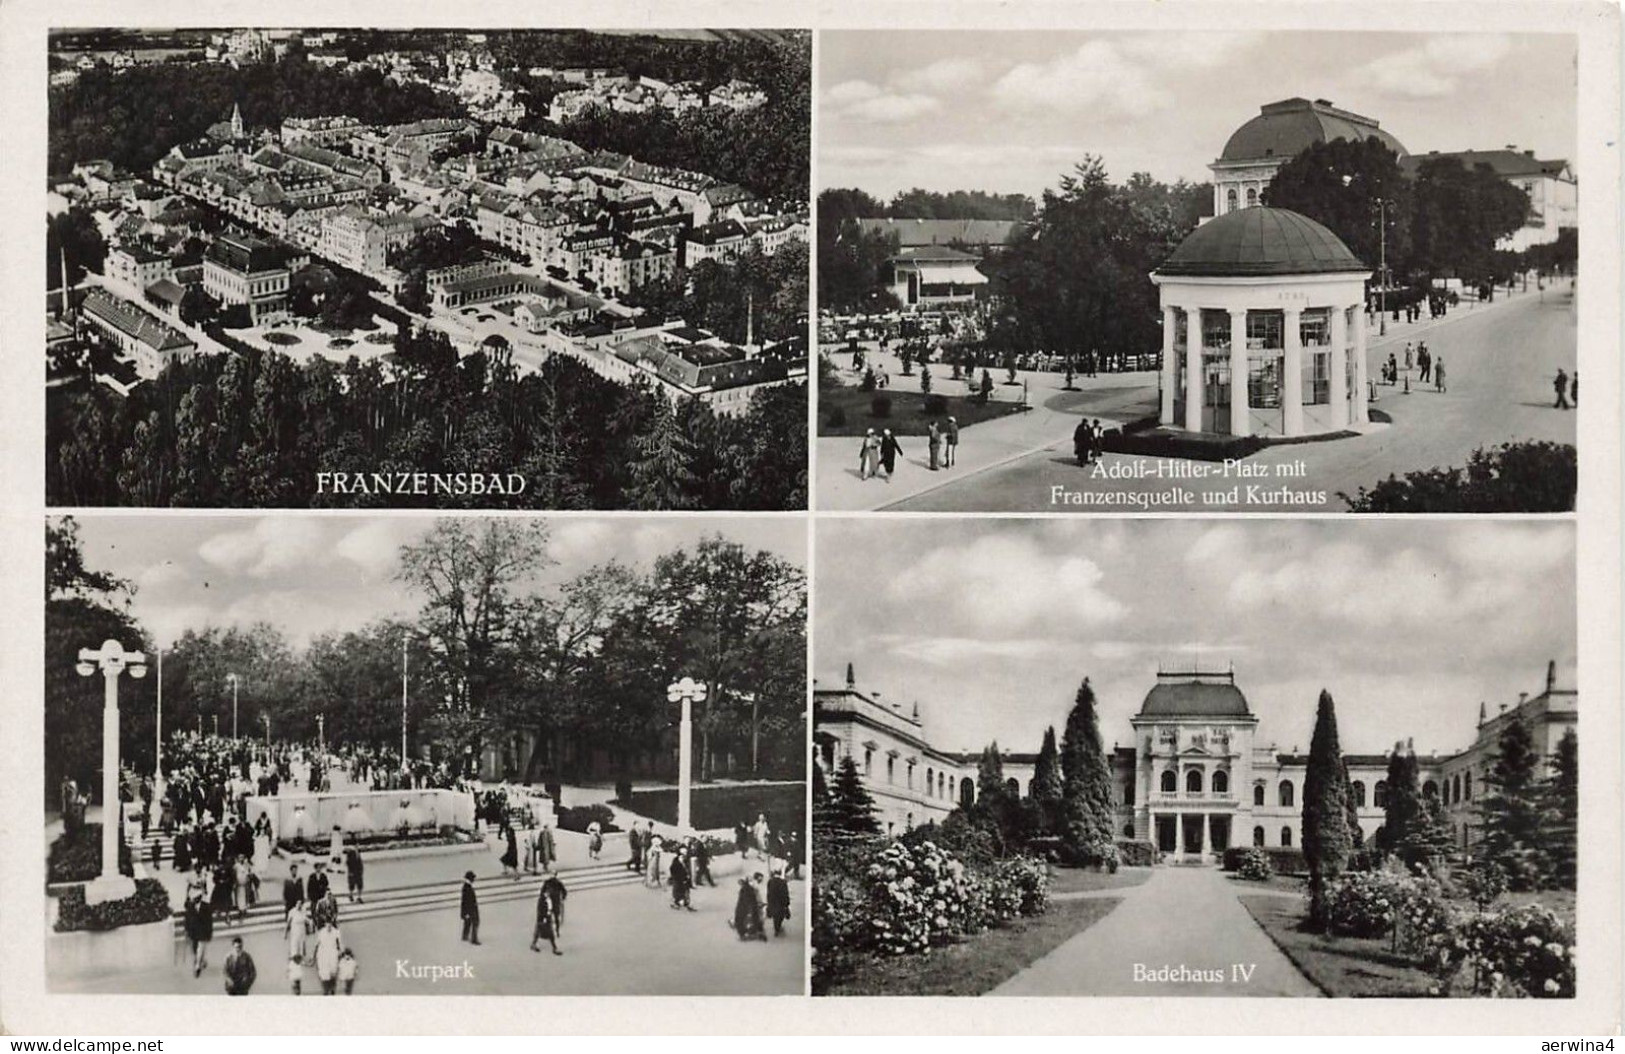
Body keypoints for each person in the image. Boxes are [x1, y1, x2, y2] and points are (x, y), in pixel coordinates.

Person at [183, 882, 214, 978]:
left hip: (203, 931)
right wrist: (187, 930)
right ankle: (202, 960)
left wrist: (209, 932)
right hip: (193, 931)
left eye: (196, 898)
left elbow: (209, 921)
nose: (194, 900)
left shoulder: (206, 907)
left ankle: (197, 967)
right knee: (195, 949)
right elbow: (187, 919)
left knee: (200, 947)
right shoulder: (190, 907)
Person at [731, 876, 767, 942]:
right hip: (750, 907)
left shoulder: (746, 890)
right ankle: (757, 931)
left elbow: (746, 900)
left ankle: (745, 933)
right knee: (755, 918)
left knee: (741, 919)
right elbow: (754, 899)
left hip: (745, 907)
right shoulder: (750, 889)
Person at [530, 884, 562, 956]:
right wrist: (544, 918)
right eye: (549, 892)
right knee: (548, 933)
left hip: (546, 918)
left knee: (539, 932)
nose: (550, 893)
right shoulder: (542, 899)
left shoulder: (548, 899)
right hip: (543, 919)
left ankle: (534, 944)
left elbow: (550, 908)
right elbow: (540, 910)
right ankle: (554, 948)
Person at [766, 867, 792, 937]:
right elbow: (785, 893)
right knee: (781, 916)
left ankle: (776, 929)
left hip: (773, 902)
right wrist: (787, 902)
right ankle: (778, 927)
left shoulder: (770, 882)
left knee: (775, 916)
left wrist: (769, 901)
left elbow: (768, 893)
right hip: (781, 902)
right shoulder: (783, 882)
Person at [459, 871, 480, 945]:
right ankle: (474, 939)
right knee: (475, 922)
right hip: (471, 908)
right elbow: (467, 900)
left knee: (467, 922)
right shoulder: (468, 887)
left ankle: (465, 936)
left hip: (468, 909)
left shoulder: (466, 886)